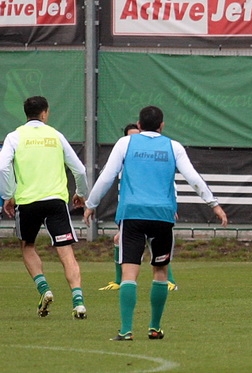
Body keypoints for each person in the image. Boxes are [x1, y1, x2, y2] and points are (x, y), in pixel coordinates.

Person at [83, 105, 228, 341]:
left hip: (132, 215)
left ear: (138, 126)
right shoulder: (173, 146)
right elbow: (193, 177)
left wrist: (91, 203)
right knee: (160, 271)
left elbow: (107, 175)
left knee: (130, 272)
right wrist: (214, 204)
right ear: (162, 125)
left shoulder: (126, 144)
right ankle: (154, 327)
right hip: (162, 216)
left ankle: (126, 330)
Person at [0, 96, 88, 319]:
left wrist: (8, 195)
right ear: (45, 113)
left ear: (25, 113)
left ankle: (44, 289)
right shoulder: (56, 136)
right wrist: (80, 193)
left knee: (28, 246)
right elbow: (79, 169)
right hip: (55, 201)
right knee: (65, 250)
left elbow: (2, 168)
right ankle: (78, 302)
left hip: (27, 201)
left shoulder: (15, 136)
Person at [99, 123, 178, 292]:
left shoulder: (150, 153)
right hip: (132, 210)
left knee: (155, 243)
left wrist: (173, 205)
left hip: (152, 210)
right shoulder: (125, 153)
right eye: (130, 136)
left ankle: (168, 280)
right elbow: (107, 175)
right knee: (119, 240)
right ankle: (120, 281)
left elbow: (169, 182)